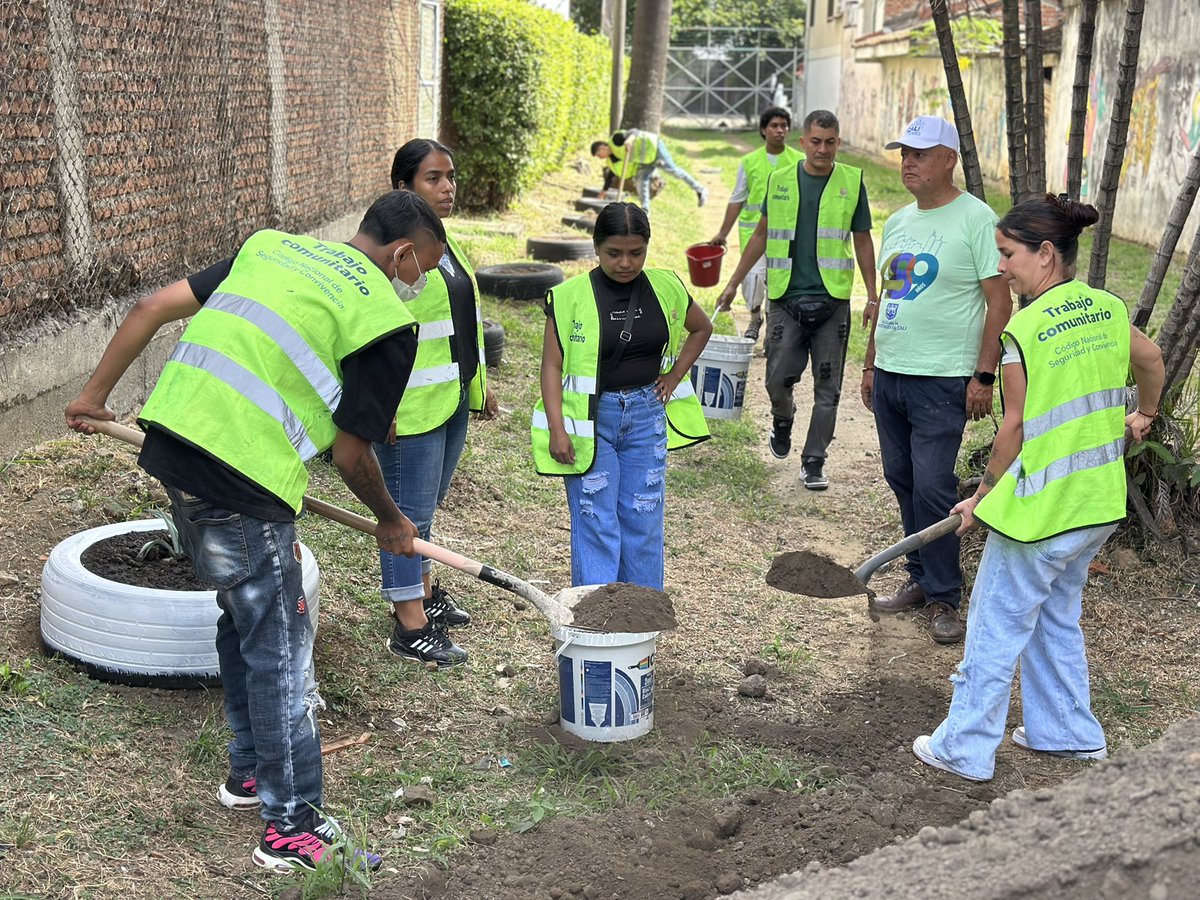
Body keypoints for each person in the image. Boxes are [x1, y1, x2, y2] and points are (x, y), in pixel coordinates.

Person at [65, 191, 446, 872]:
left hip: (173, 448)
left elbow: (150, 308)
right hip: (242, 478)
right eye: (425, 269)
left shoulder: (272, 245)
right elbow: (355, 455)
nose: (419, 285)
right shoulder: (385, 317)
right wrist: (392, 521)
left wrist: (93, 397)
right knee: (280, 649)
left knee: (245, 612)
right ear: (404, 255)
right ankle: (291, 826)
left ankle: (249, 771)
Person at [912, 193, 1165, 781]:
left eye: (1008, 254)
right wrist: (1144, 416)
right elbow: (1150, 357)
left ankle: (964, 748)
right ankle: (1068, 734)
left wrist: (983, 495)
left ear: (1045, 254)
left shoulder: (1023, 329)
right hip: (1096, 506)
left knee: (995, 626)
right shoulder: (1106, 308)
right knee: (1054, 617)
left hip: (1039, 515)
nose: (1003, 266)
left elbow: (1017, 426)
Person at [861, 115, 1012, 645]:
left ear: (949, 159)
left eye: (920, 154)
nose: (909, 162)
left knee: (932, 485)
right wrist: (869, 361)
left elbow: (999, 302)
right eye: (905, 152)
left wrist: (983, 375)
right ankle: (920, 579)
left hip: (944, 378)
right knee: (901, 479)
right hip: (892, 373)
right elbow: (886, 299)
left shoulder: (976, 219)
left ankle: (947, 595)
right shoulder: (898, 221)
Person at [532, 202, 712, 589]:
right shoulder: (568, 296)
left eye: (636, 253)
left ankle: (641, 620)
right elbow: (551, 366)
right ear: (596, 247)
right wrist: (557, 428)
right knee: (596, 519)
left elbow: (702, 328)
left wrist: (674, 376)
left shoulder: (667, 286)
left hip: (647, 416)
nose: (626, 263)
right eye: (614, 253)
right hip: (592, 422)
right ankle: (597, 619)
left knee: (643, 519)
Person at [715, 109, 878, 492]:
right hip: (785, 298)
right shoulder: (780, 179)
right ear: (803, 142)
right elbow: (760, 235)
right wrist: (733, 283)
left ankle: (814, 460)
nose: (823, 150)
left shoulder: (852, 182)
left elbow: (863, 239)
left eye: (831, 142)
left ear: (838, 142)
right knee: (776, 381)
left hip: (832, 300)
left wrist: (872, 294)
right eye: (816, 141)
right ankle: (782, 418)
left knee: (828, 389)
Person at [381, 139, 498, 668]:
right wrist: (378, 407)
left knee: (424, 510)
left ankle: (424, 593)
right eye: (433, 178)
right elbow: (371, 340)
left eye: (450, 176)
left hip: (449, 401)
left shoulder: (445, 245)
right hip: (408, 413)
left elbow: (461, 321)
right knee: (405, 515)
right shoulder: (391, 255)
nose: (447, 187)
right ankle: (409, 624)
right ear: (403, 187)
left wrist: (481, 384)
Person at [707, 106, 803, 343]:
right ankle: (754, 316)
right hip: (754, 234)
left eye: (784, 126)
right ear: (763, 130)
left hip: (787, 235)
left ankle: (773, 328)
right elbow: (737, 199)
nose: (780, 130)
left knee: (778, 280)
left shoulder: (799, 161)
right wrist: (723, 233)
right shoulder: (749, 162)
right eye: (774, 126)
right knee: (753, 278)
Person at [591, 130, 708, 215]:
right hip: (645, 161)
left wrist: (629, 140)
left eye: (598, 155)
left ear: (602, 148)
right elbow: (610, 176)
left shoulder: (616, 139)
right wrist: (604, 191)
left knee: (674, 172)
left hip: (655, 148)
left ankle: (701, 190)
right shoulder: (611, 160)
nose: (599, 158)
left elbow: (634, 132)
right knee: (641, 182)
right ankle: (645, 212)